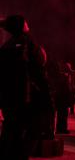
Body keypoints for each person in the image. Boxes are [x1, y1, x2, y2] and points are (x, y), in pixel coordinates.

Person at [0, 15, 52, 160]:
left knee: (11, 130)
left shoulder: (7, 46)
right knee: (28, 133)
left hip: (10, 99)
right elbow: (37, 75)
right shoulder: (28, 43)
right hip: (26, 99)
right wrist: (47, 101)